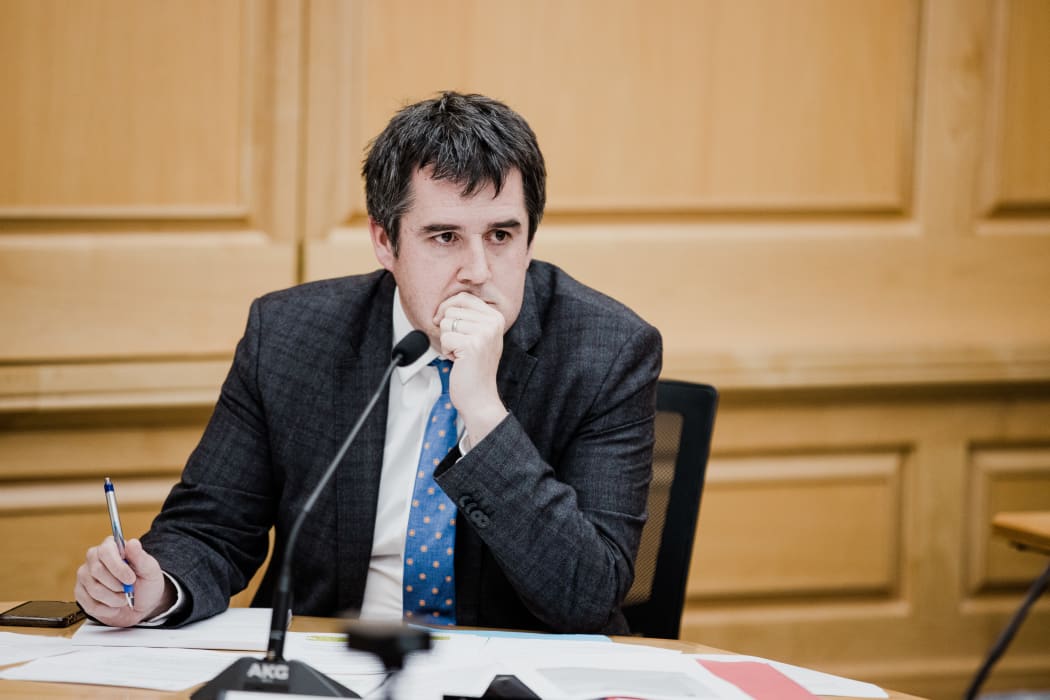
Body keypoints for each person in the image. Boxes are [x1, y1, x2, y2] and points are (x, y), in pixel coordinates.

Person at [75, 91, 662, 634]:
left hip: (512, 678)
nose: (479, 271)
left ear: (531, 237)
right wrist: (159, 588)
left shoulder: (607, 352)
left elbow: (589, 594)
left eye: (502, 235)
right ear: (385, 241)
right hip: (331, 667)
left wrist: (483, 413)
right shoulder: (290, 336)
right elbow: (211, 528)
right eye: (444, 237)